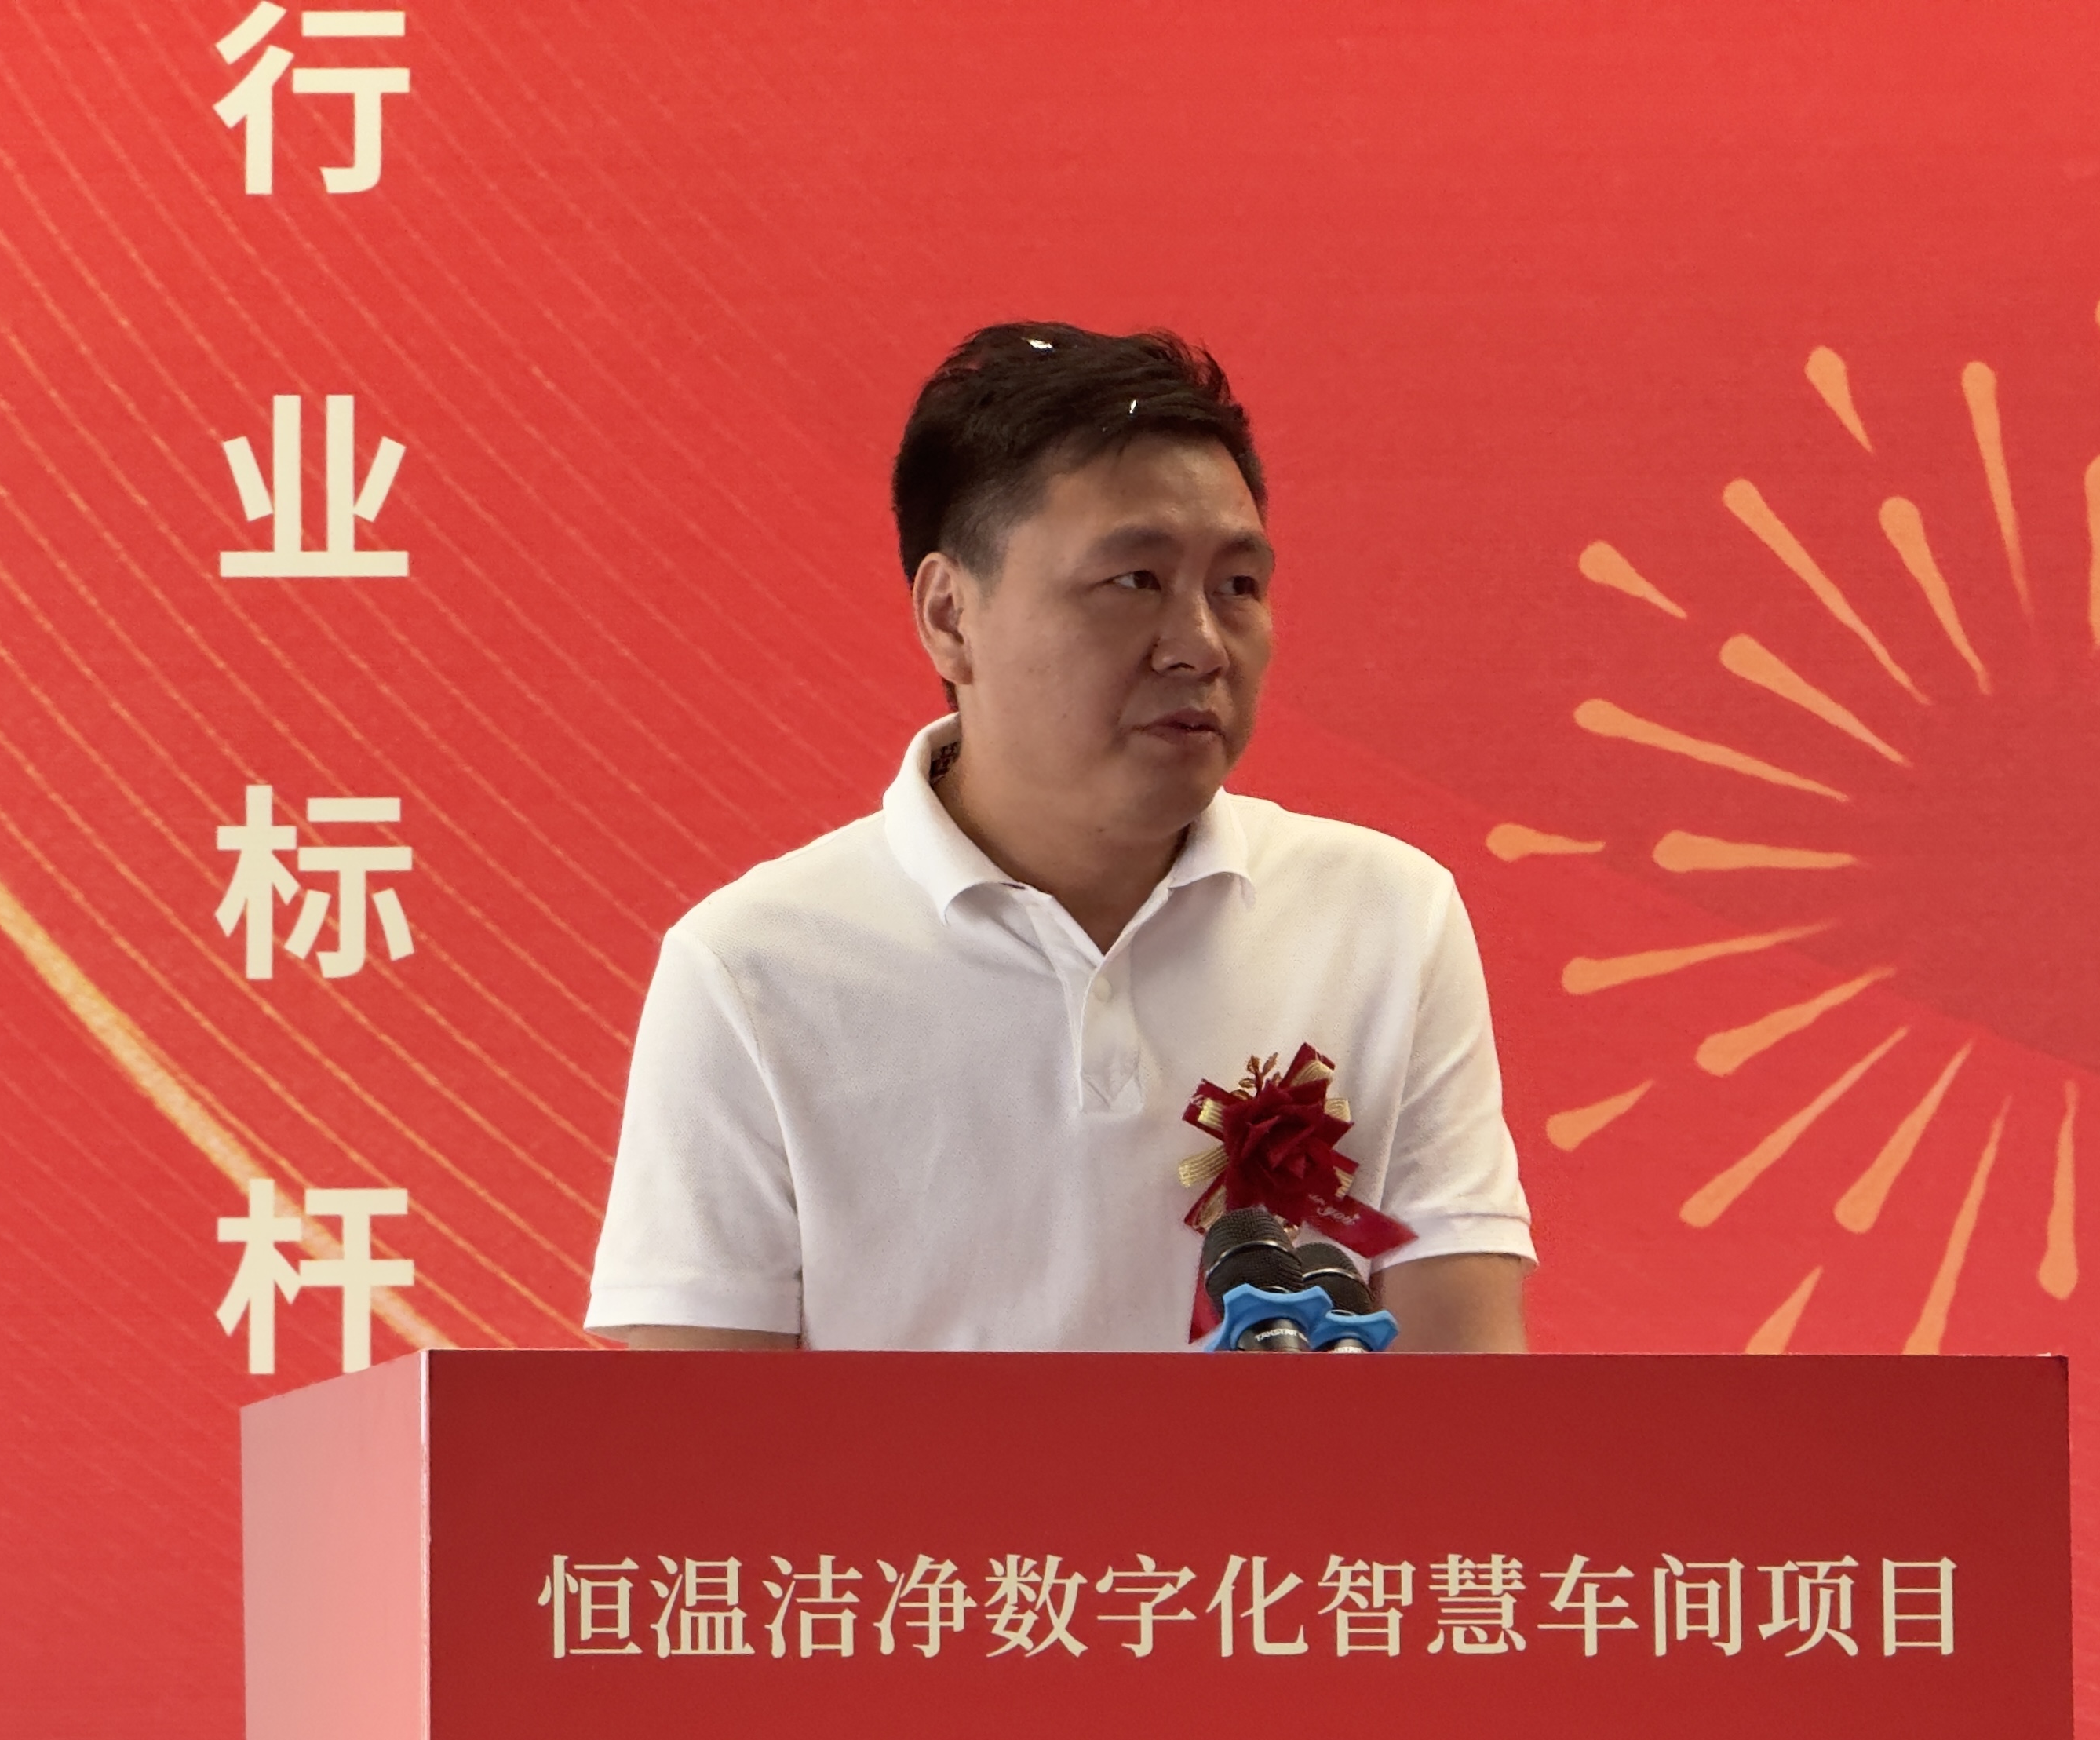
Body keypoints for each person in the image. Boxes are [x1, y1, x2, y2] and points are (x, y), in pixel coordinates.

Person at [584, 323, 1533, 1352]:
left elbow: (1462, 1400)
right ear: (951, 615)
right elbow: (695, 1437)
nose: (1199, 646)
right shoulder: (749, 971)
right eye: (1135, 581)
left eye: (1237, 586)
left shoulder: (1385, 919)